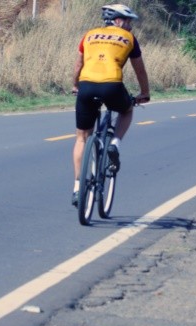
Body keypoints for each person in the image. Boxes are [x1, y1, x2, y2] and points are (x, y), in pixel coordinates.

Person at [70, 3, 150, 207]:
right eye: (128, 21)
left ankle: (78, 187)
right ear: (117, 20)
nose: (130, 26)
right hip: (112, 86)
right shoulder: (129, 39)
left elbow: (78, 64)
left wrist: (75, 85)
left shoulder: (89, 35)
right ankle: (115, 143)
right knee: (127, 109)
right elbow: (140, 70)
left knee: (81, 137)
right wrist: (145, 93)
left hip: (86, 86)